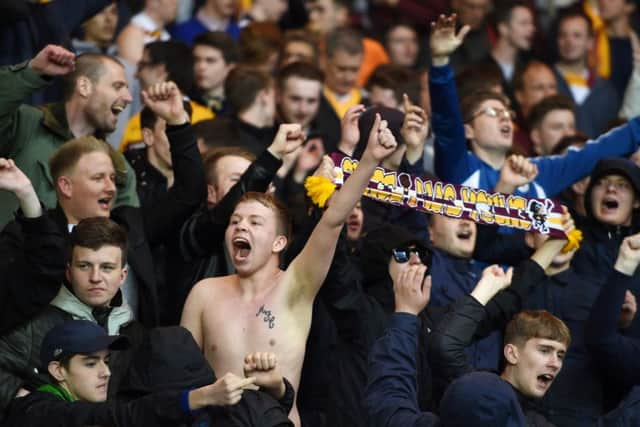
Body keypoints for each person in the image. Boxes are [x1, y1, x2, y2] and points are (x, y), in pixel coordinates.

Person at [181, 114, 399, 426]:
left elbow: (333, 219)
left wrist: (370, 159)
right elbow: (182, 375)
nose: (241, 225)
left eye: (255, 222)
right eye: (235, 221)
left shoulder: (296, 285)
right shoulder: (204, 292)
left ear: (279, 242)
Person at [0, 80, 205, 328]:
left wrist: (177, 122)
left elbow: (189, 193)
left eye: (112, 178)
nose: (110, 187)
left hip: (128, 359)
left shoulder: (130, 226)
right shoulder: (23, 235)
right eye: (98, 178)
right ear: (65, 186)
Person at [429, 14, 640, 199]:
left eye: (507, 113)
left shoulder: (537, 172)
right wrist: (440, 63)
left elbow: (596, 153)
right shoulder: (459, 167)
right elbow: (446, 121)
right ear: (468, 130)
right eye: (492, 112)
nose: (505, 118)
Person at [3, 320, 294, 426]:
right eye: (91, 363)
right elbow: (118, 416)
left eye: (106, 361)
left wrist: (277, 392)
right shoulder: (36, 411)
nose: (105, 373)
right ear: (58, 370)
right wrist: (196, 398)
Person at [0, 44, 137, 227]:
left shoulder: (119, 168)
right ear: (84, 86)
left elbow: (130, 241)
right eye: (118, 86)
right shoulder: (27, 124)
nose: (128, 98)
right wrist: (33, 71)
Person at [553, 9, 620, 138]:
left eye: (577, 35)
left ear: (590, 42)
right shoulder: (545, 81)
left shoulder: (606, 90)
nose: (569, 42)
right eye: (563, 35)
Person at [192, 31, 240, 116]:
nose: (201, 67)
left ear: (230, 66)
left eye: (210, 61)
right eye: (196, 59)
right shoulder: (182, 101)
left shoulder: (242, 106)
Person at [116, 0, 178, 65]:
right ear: (152, 1)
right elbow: (131, 70)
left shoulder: (165, 36)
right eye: (171, 0)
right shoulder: (133, 31)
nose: (175, 3)